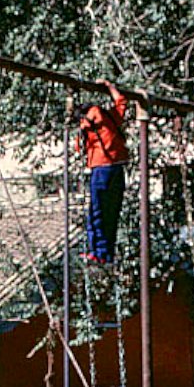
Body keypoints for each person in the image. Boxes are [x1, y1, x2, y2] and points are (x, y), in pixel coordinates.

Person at [77, 79, 129, 265]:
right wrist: (109, 86)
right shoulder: (110, 116)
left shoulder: (88, 121)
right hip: (118, 167)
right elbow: (121, 101)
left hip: (100, 168)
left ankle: (97, 252)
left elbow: (79, 147)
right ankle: (108, 254)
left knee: (97, 212)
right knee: (112, 211)